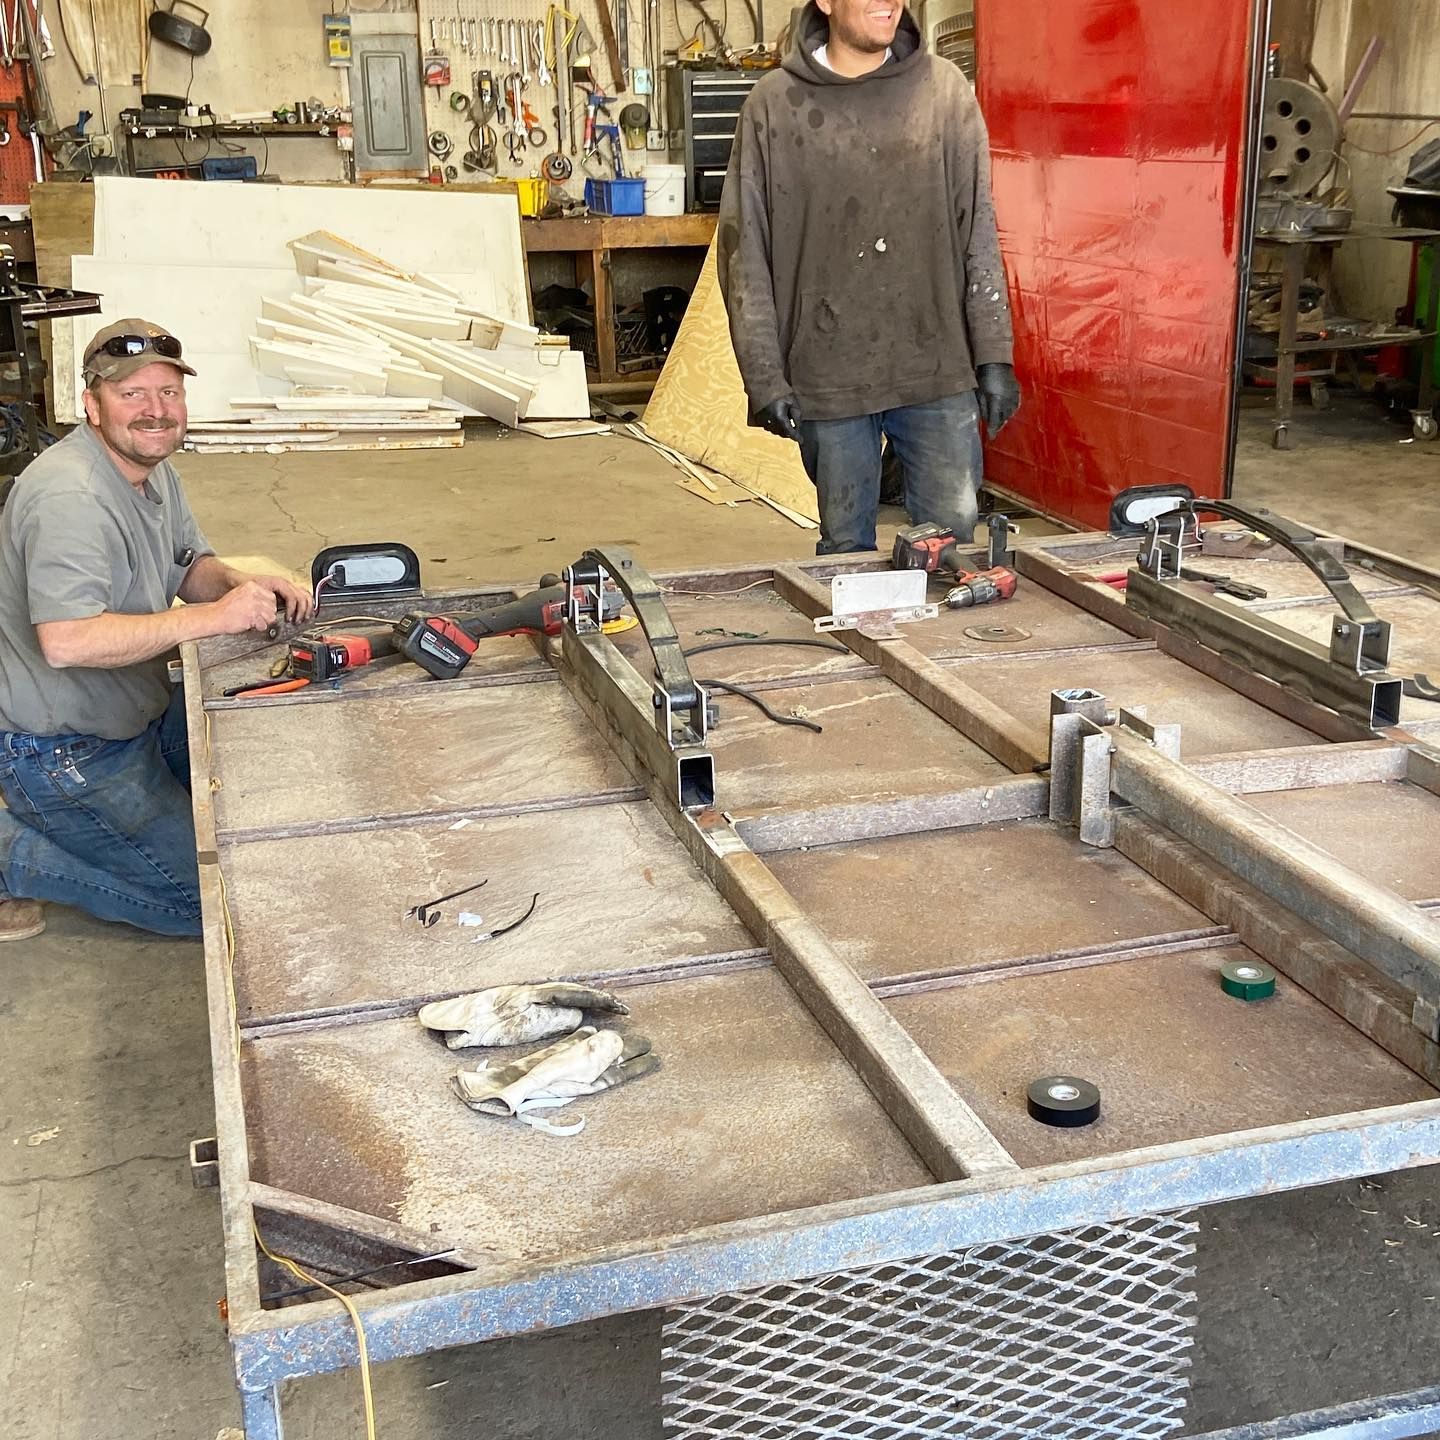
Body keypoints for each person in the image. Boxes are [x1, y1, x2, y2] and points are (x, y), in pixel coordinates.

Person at [0, 319, 313, 941]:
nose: (155, 411)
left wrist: (236, 584)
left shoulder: (151, 466)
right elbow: (67, 640)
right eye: (131, 394)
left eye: (169, 393)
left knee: (268, 761)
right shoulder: (71, 498)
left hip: (135, 715)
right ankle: (14, 856)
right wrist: (214, 618)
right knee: (217, 907)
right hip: (63, 752)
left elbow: (189, 566)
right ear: (91, 405)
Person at [717, 0, 1021, 555]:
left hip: (936, 367)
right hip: (828, 373)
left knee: (951, 548)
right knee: (845, 555)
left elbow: (977, 225)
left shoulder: (943, 92)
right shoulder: (774, 106)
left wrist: (994, 354)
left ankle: (945, 645)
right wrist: (764, 376)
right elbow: (745, 252)